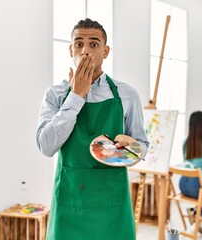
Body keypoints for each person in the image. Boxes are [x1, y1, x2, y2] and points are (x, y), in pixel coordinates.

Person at [36, 18, 149, 240]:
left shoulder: (127, 94)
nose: (85, 51)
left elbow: (142, 146)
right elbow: (46, 146)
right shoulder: (55, 95)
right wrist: (76, 96)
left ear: (106, 51)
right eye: (79, 44)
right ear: (70, 49)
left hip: (112, 204)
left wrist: (132, 147)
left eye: (94, 44)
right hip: (70, 202)